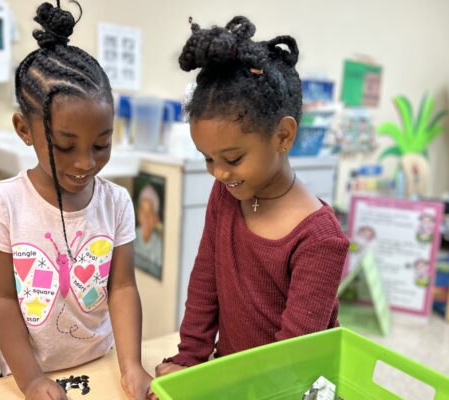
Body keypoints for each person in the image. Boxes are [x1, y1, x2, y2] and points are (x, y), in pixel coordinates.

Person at [0, 2, 152, 399]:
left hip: (99, 361)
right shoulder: (3, 203)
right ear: (24, 129)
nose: (85, 162)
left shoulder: (116, 201)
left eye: (102, 144)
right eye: (65, 146)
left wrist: (131, 364)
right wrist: (31, 379)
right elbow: (1, 299)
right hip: (29, 374)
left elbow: (122, 288)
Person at [155, 16, 350, 377]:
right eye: (208, 158)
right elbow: (205, 281)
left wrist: (223, 384)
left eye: (232, 159)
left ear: (283, 136)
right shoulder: (225, 195)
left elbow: (295, 356)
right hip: (235, 374)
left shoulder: (321, 238)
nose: (218, 173)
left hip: (292, 383)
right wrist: (189, 359)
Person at [134, 184, 163, 277]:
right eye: (143, 211)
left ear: (156, 218)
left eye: (150, 213)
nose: (146, 217)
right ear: (138, 212)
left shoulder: (159, 245)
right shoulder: (131, 237)